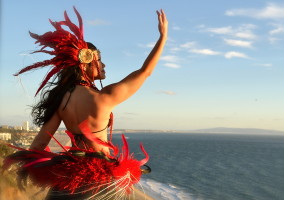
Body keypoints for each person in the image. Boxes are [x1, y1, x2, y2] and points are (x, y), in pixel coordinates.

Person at [3, 7, 168, 200]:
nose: (104, 65)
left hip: (69, 181)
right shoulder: (104, 97)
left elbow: (38, 145)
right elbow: (144, 72)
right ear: (85, 63)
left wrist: (58, 164)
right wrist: (162, 37)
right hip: (100, 185)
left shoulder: (60, 99)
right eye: (100, 60)